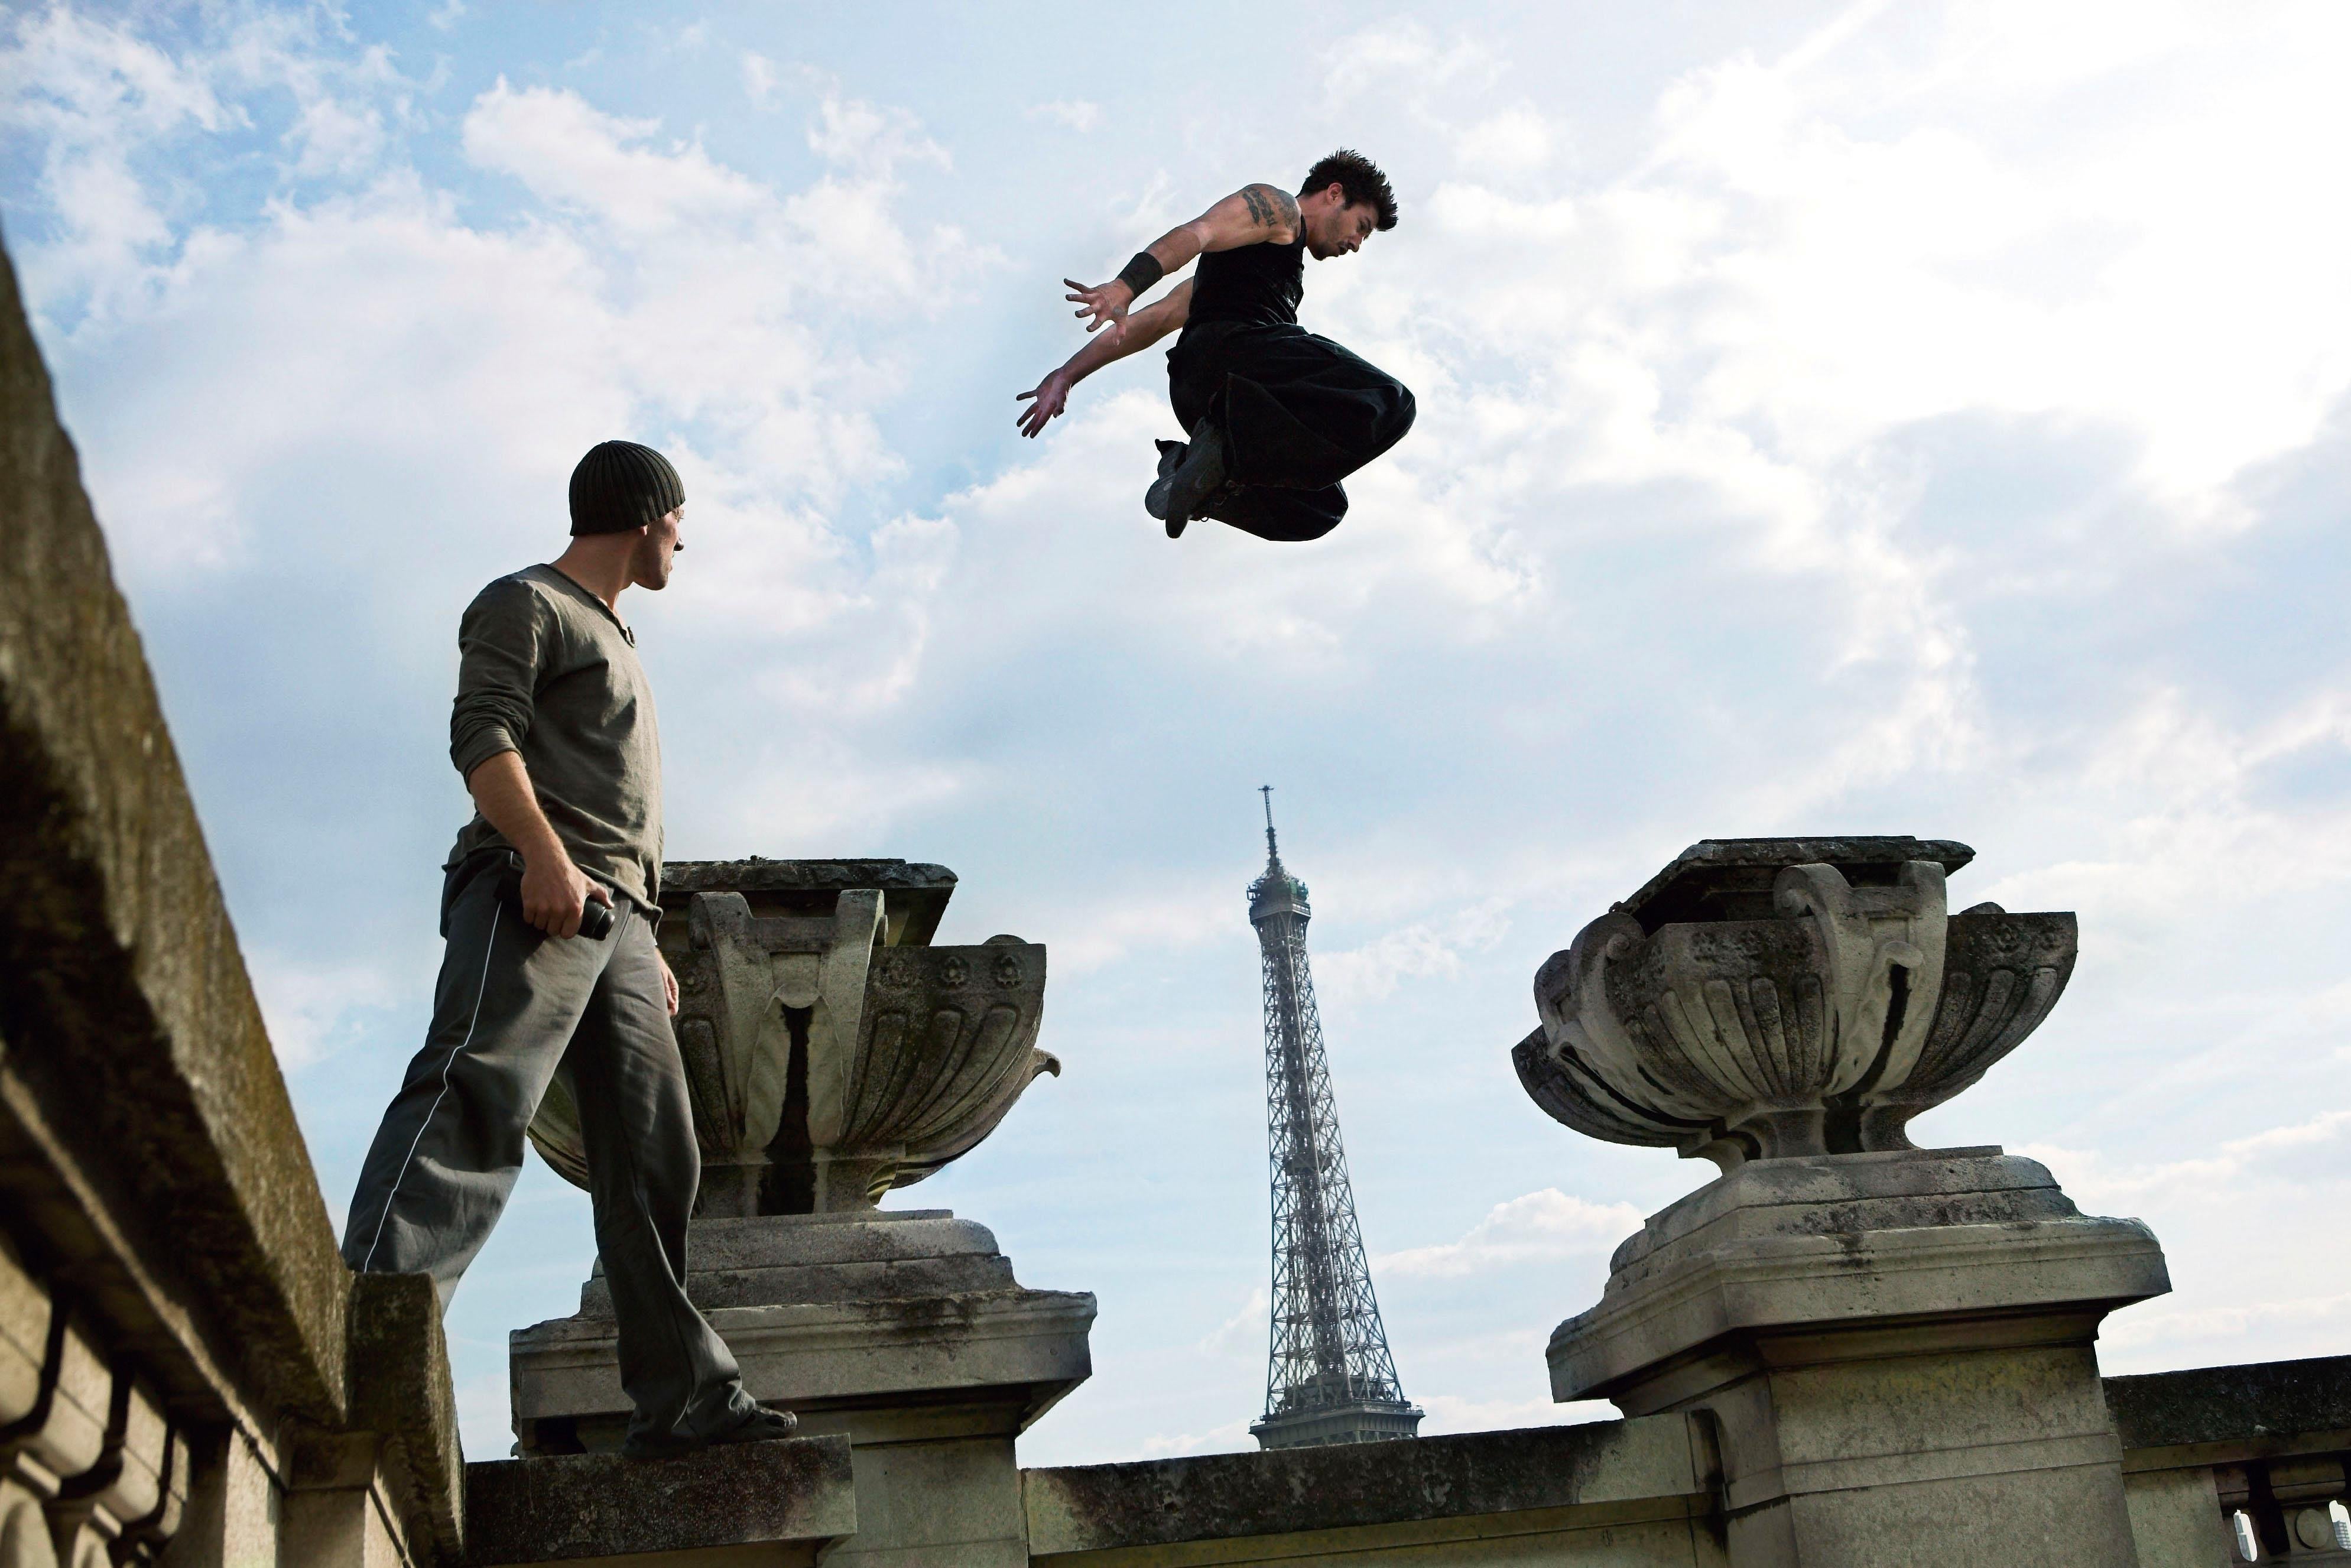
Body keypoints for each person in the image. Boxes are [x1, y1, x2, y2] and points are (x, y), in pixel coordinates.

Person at [339, 440, 795, 1460]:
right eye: (679, 518)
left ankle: (685, 1402)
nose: (685, 537)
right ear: (644, 515)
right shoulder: (524, 602)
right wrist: (539, 855)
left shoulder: (618, 633)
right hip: (533, 893)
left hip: (618, 924)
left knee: (655, 1160)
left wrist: (642, 932)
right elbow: (482, 738)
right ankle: (356, 1344)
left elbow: (617, 811)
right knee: (474, 1099)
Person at [1016, 148, 1416, 541]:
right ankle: (1220, 459)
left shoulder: (1231, 281)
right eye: (1362, 226)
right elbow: (1199, 232)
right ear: (1334, 193)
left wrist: (1067, 375)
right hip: (1234, 356)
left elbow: (1152, 322)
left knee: (1320, 506)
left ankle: (1195, 474)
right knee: (1391, 400)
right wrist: (1126, 285)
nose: (1357, 243)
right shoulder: (1279, 209)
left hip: (1200, 392)